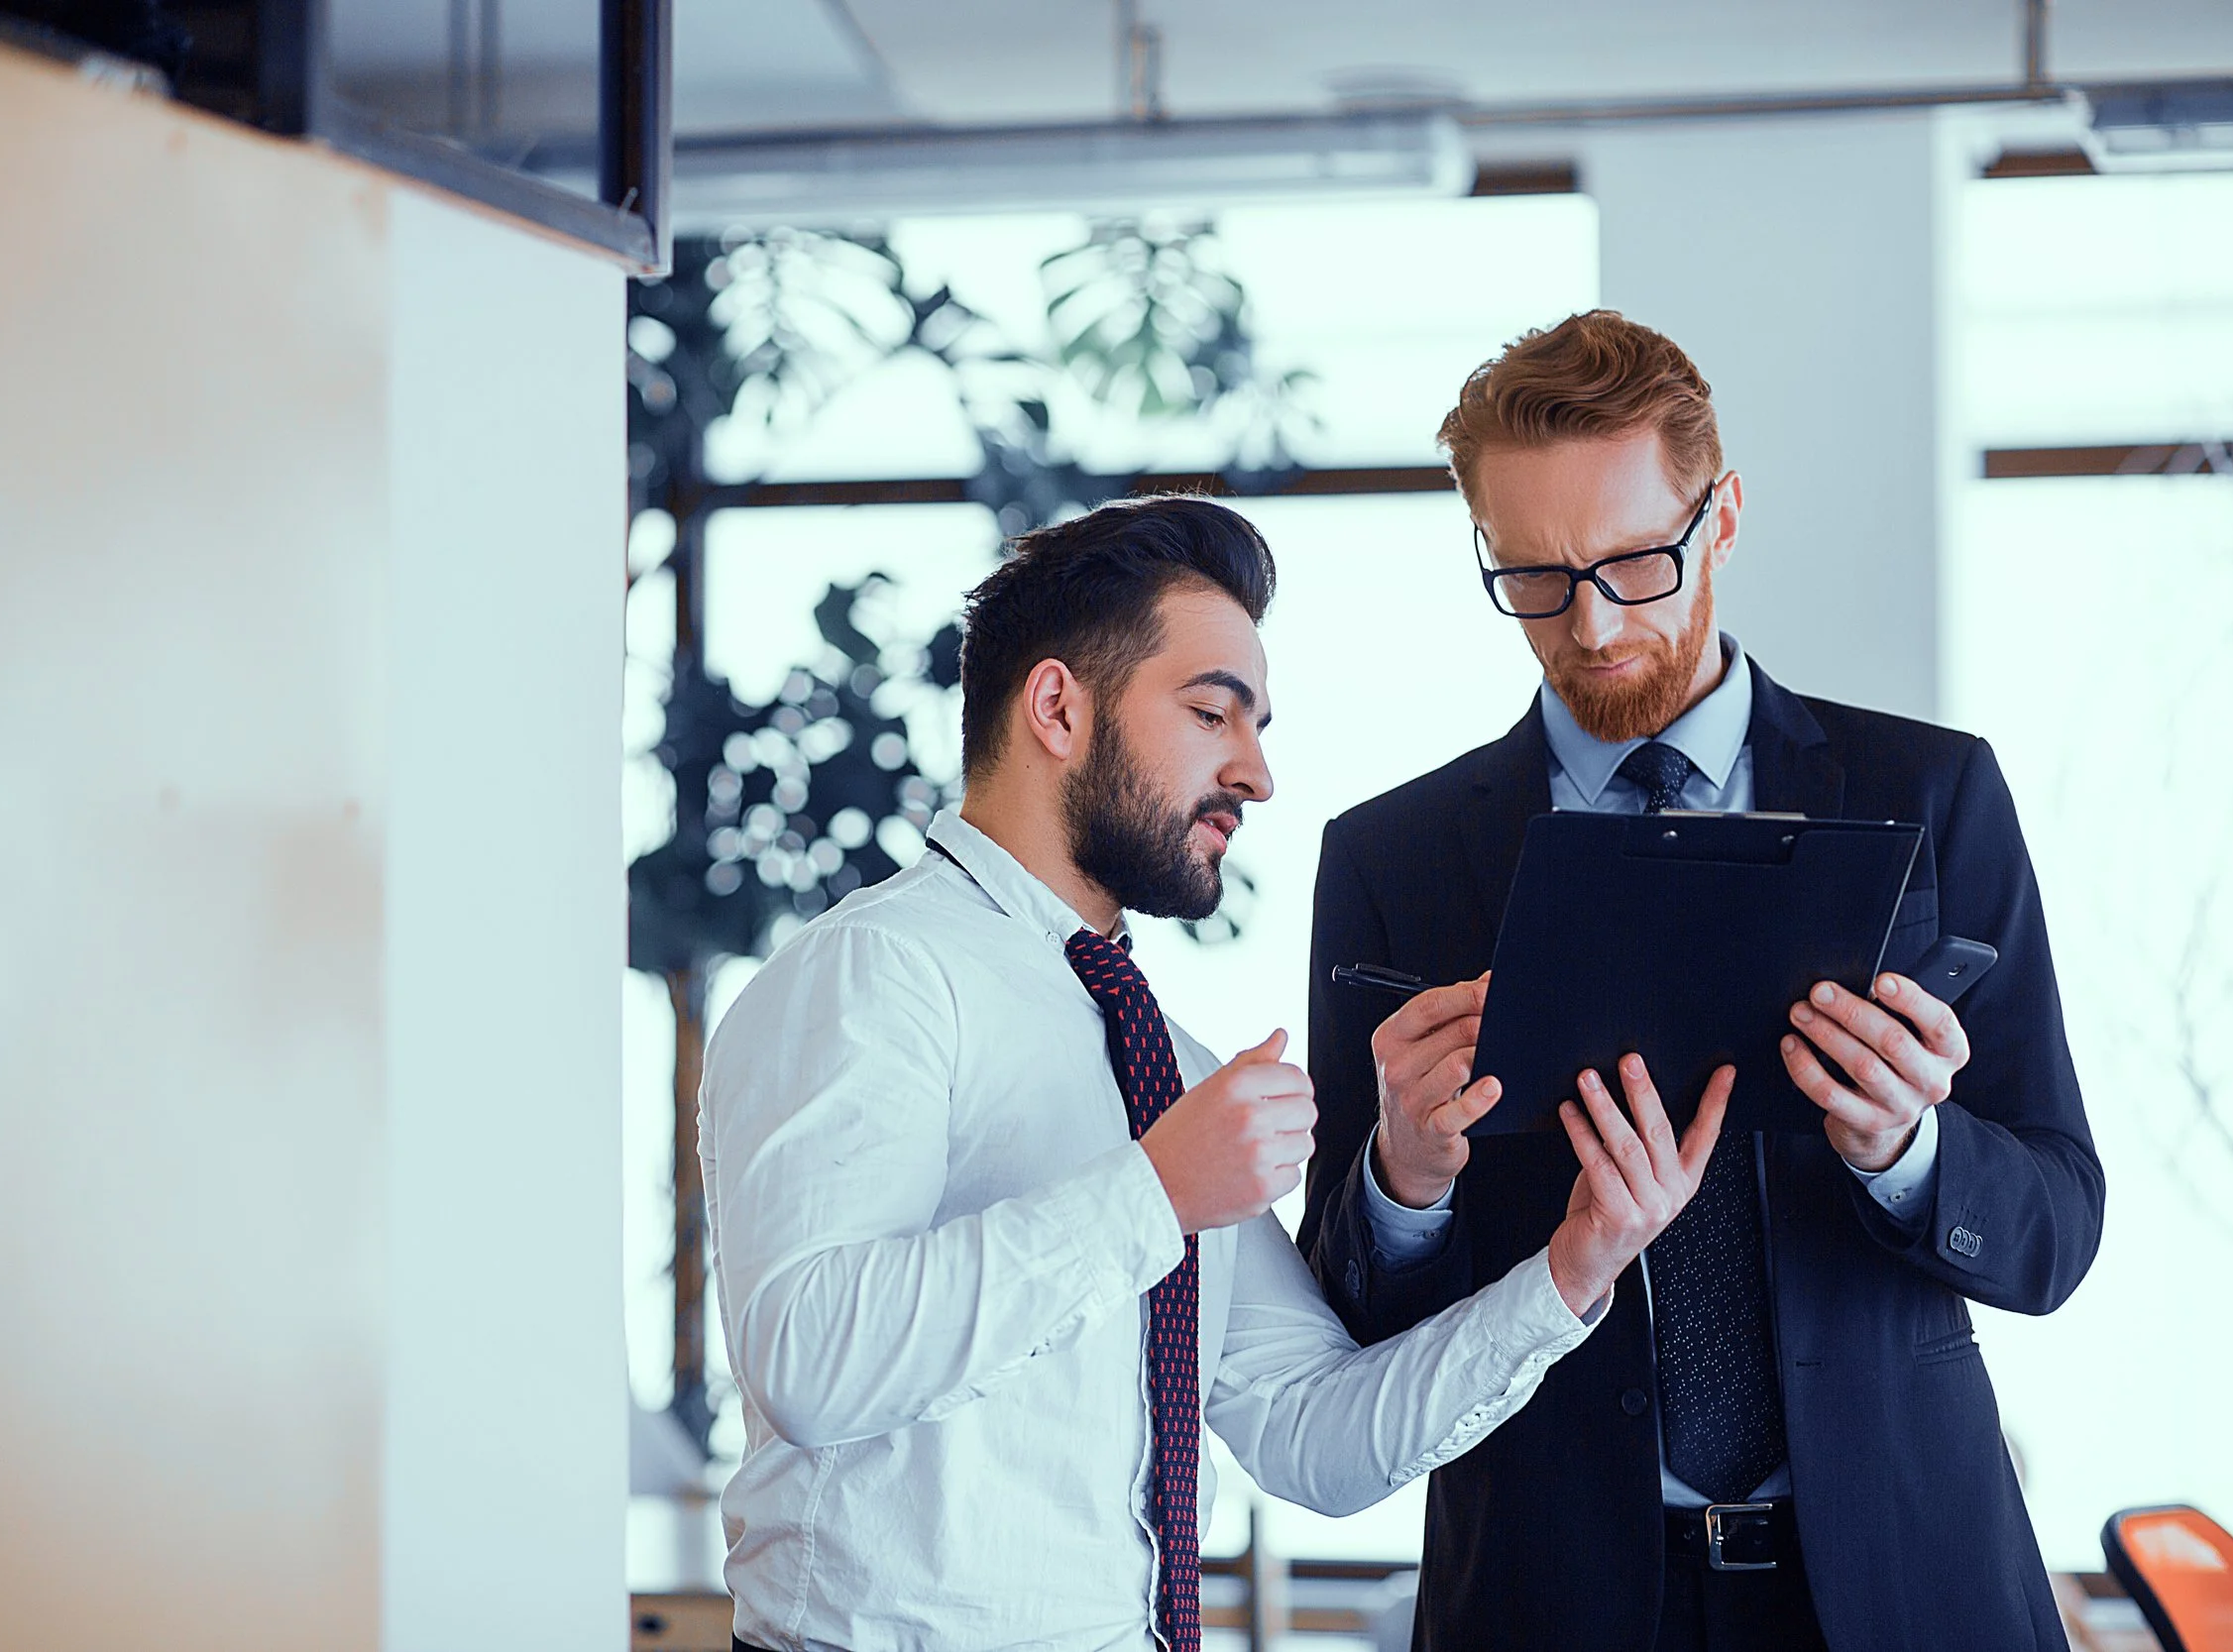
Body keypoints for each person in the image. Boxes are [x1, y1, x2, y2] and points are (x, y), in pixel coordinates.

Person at [699, 494, 1729, 1652]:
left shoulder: (1166, 1060)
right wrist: (1154, 1192)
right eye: (1211, 713)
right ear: (1056, 706)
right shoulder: (873, 973)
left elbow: (1311, 1432)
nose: (1256, 773)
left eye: (1260, 724)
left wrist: (1573, 1266)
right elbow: (809, 1356)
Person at [1297, 312, 2104, 1652]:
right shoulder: (1391, 857)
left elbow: (2053, 1229)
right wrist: (1401, 1180)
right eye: (1535, 578)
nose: (1593, 623)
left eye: (1632, 560)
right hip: (1545, 1594)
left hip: (1904, 1579)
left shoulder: (1932, 793)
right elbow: (1347, 1326)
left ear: (1721, 515)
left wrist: (1908, 1148)